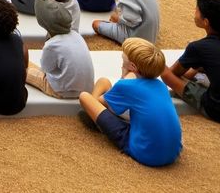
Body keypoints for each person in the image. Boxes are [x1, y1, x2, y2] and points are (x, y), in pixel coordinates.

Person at [78, 38, 182, 167]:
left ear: (132, 67)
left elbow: (98, 102)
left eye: (123, 61)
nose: (121, 65)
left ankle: (93, 120)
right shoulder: (161, 86)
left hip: (145, 153)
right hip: (173, 153)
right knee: (107, 86)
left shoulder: (127, 86)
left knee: (84, 97)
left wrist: (124, 79)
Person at [26, 0, 94, 99]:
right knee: (31, 65)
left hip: (63, 91)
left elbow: (45, 68)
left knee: (23, 71)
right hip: (87, 88)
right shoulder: (76, 35)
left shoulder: (52, 44)